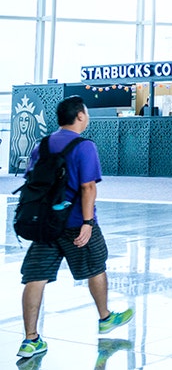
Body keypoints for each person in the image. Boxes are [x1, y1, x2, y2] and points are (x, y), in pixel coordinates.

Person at [17, 97, 133, 360]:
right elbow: (88, 187)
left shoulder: (42, 144)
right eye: (86, 112)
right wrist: (88, 222)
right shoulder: (84, 146)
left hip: (44, 224)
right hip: (74, 223)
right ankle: (105, 317)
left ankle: (30, 339)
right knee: (95, 267)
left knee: (36, 278)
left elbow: (32, 181)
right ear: (80, 116)